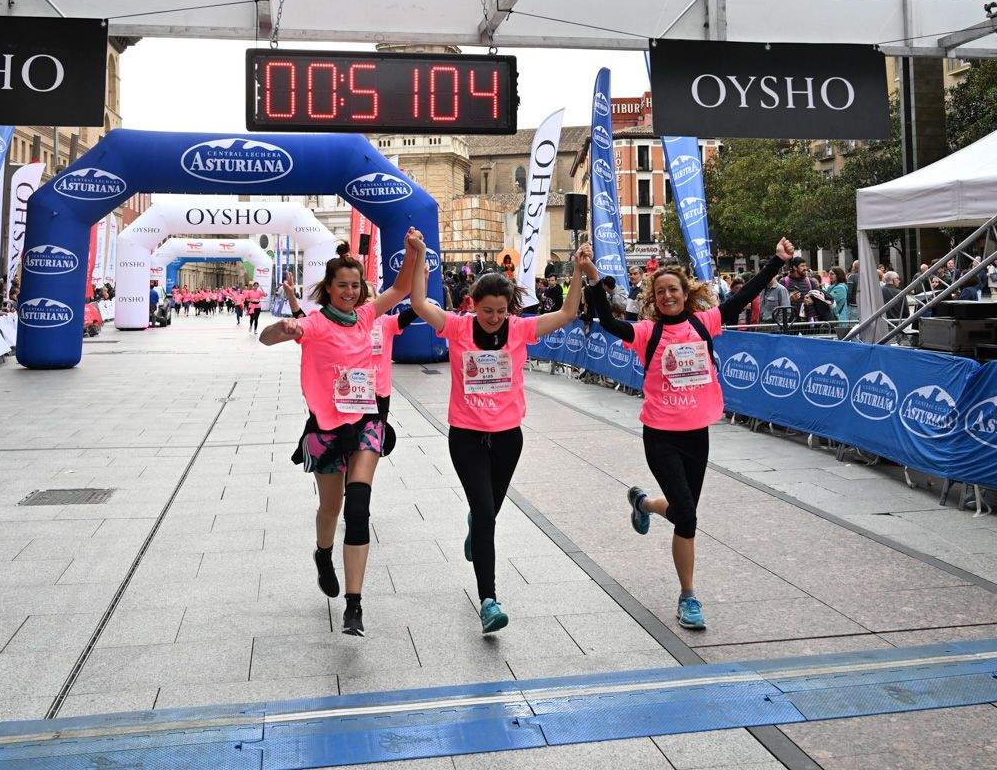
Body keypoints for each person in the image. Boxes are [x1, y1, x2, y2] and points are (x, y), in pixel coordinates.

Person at [579, 237, 793, 632]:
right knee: (689, 517)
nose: (667, 296)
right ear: (654, 299)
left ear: (685, 293)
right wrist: (593, 277)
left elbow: (743, 297)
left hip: (697, 434)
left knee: (682, 513)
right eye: (660, 292)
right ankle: (688, 596)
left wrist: (775, 263)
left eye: (673, 290)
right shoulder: (647, 332)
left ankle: (643, 505)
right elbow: (608, 323)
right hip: (660, 436)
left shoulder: (704, 322)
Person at [407, 228, 587, 633]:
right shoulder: (456, 326)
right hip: (467, 436)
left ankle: (476, 527)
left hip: (508, 438)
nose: (494, 318)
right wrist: (418, 254)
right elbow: (418, 302)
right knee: (487, 513)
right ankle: (488, 600)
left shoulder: (520, 330)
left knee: (487, 513)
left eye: (501, 311)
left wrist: (577, 273)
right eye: (487, 311)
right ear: (473, 305)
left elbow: (566, 315)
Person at [257, 247, 419, 638]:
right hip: (326, 429)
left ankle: (354, 605)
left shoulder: (366, 315)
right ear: (328, 289)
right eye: (342, 285)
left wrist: (414, 252)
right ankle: (323, 553)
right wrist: (283, 329)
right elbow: (265, 338)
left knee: (358, 506)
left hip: (366, 422)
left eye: (355, 285)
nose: (350, 291)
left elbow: (399, 288)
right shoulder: (313, 324)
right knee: (331, 507)